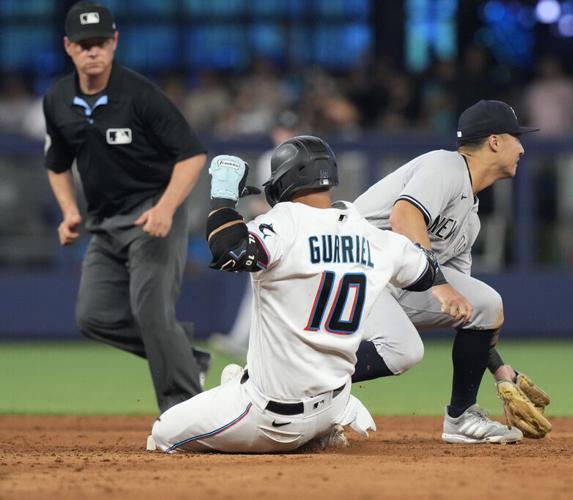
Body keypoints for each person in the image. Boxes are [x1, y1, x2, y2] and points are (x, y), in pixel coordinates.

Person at [148, 136, 443, 453]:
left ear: (283, 181)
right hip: (335, 404)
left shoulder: (284, 222)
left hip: (272, 418)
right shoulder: (371, 235)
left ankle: (246, 399)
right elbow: (427, 271)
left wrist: (222, 198)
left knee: (162, 434)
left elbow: (230, 250)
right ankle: (314, 424)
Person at [43, 2, 209, 413]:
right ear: (68, 47)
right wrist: (68, 211)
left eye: (100, 42)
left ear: (114, 43)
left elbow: (192, 155)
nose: (92, 51)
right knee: (93, 317)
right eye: (84, 44)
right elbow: (57, 164)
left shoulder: (140, 94)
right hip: (104, 223)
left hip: (152, 214)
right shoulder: (59, 99)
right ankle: (185, 357)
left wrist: (167, 209)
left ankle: (186, 413)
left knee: (151, 310)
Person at [353, 100, 552, 441]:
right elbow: (404, 217)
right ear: (494, 141)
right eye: (516, 138)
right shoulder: (445, 165)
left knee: (485, 304)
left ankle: (461, 418)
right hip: (346, 271)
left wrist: (500, 370)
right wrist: (440, 284)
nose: (521, 148)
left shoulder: (469, 220)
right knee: (403, 350)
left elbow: (468, 312)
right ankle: (299, 381)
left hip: (387, 283)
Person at [207, 110, 301, 358]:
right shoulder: (269, 159)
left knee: (281, 283)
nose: (285, 135)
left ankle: (258, 340)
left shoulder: (301, 158)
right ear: (275, 132)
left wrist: (260, 207)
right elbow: (265, 199)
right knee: (260, 282)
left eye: (290, 130)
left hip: (293, 227)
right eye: (283, 130)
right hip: (277, 226)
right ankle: (247, 340)